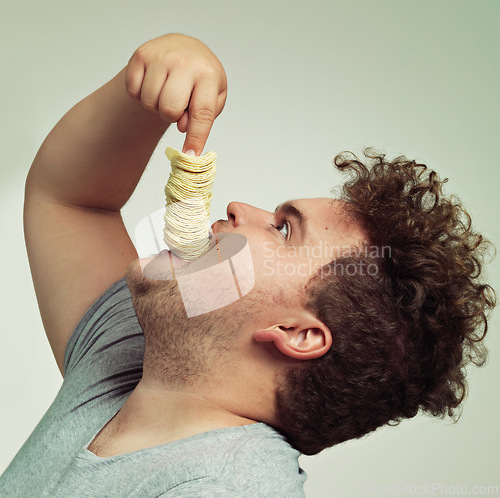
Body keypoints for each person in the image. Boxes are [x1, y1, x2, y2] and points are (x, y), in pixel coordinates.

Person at [0, 33, 494, 497]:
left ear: (297, 333)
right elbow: (74, 201)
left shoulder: (232, 489)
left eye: (283, 228)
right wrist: (151, 87)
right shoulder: (126, 362)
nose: (238, 208)